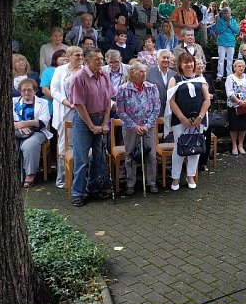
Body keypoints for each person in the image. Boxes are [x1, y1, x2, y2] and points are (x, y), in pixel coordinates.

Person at [68, 48, 114, 207]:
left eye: (101, 59)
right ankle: (78, 193)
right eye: (97, 59)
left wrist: (104, 123)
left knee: (99, 157)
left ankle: (93, 188)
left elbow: (108, 101)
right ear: (87, 61)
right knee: (81, 159)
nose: (101, 62)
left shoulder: (104, 75)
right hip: (83, 120)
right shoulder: (79, 78)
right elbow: (79, 105)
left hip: (101, 117)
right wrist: (91, 125)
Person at [164, 53, 211, 191]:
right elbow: (171, 101)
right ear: (180, 65)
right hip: (180, 120)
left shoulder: (200, 79)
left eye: (191, 62)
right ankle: (175, 177)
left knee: (195, 148)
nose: (189, 65)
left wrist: (200, 117)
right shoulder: (175, 79)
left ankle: (190, 175)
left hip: (198, 120)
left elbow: (207, 100)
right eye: (186, 62)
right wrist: (182, 118)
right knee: (179, 148)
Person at [116, 63, 161, 195]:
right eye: (140, 71)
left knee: (151, 156)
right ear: (132, 74)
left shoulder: (152, 87)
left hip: (148, 128)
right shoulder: (123, 89)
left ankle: (151, 183)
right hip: (131, 129)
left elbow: (156, 108)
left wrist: (147, 125)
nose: (144, 74)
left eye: (144, 71)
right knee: (131, 155)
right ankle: (130, 184)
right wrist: (134, 126)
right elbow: (120, 111)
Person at [51, 46, 84, 188]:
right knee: (64, 144)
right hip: (65, 110)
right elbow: (54, 90)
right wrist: (66, 102)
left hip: (82, 110)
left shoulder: (85, 70)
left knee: (81, 143)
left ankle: (80, 177)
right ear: (69, 56)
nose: (80, 58)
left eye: (82, 55)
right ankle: (63, 179)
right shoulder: (60, 70)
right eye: (77, 55)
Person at [13, 78, 53, 187]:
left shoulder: (43, 102)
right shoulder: (13, 101)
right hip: (16, 131)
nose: (26, 92)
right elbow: (7, 120)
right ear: (20, 91)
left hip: (37, 131)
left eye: (29, 90)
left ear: (34, 90)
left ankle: (30, 174)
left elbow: (44, 120)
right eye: (23, 90)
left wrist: (25, 124)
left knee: (29, 145)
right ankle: (13, 174)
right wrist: (17, 125)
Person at [225, 59, 246, 155]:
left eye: (242, 66)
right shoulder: (230, 77)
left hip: (244, 106)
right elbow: (229, 92)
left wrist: (245, 100)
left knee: (243, 126)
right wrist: (238, 101)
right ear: (234, 68)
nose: (241, 68)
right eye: (239, 66)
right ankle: (234, 145)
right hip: (234, 106)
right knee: (234, 126)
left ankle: (240, 145)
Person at [194, 58, 215, 171]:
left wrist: (210, 96)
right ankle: (192, 161)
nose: (200, 66)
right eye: (197, 64)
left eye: (201, 64)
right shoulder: (191, 78)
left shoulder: (208, 78)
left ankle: (203, 162)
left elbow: (214, 93)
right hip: (195, 111)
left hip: (207, 111)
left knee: (205, 138)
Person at [146, 49, 176, 117]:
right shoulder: (149, 73)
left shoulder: (175, 74)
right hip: (154, 111)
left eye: (168, 58)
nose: (166, 60)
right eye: (163, 57)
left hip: (171, 111)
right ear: (157, 59)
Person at [40, 49, 68, 118]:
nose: (66, 58)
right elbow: (45, 90)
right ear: (55, 59)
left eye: (67, 56)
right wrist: (60, 101)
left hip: (69, 107)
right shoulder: (48, 71)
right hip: (53, 105)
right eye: (63, 56)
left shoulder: (73, 70)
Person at [215, 6, 239, 81]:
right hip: (222, 42)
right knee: (221, 59)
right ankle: (220, 75)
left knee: (230, 59)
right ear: (223, 13)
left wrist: (230, 25)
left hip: (231, 42)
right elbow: (218, 30)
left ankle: (229, 74)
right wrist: (226, 26)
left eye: (228, 13)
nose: (227, 14)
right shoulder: (220, 21)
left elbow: (237, 31)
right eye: (225, 13)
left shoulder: (233, 21)